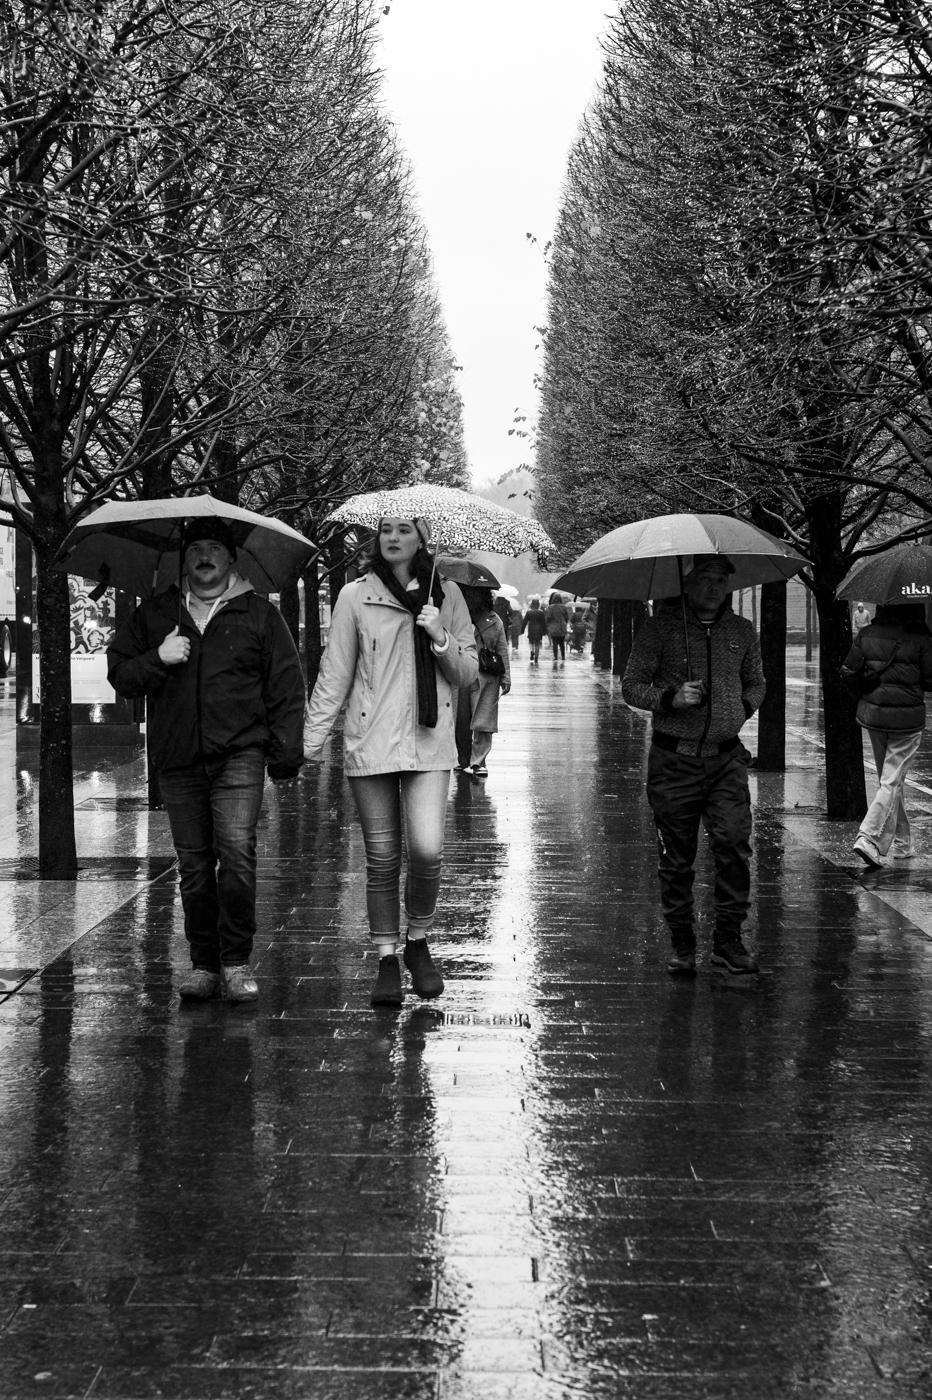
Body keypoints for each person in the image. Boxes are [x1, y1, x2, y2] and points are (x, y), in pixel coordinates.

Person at [108, 519, 306, 1004]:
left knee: (236, 857)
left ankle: (236, 962)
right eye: (195, 548)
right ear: (184, 559)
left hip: (239, 754)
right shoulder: (157, 615)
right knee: (195, 867)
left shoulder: (258, 614)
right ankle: (203, 964)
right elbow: (121, 675)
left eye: (214, 548)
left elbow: (286, 686)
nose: (204, 556)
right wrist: (158, 656)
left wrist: (284, 754)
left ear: (230, 559)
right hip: (178, 760)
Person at [304, 517, 477, 1007]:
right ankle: (385, 956)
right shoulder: (355, 596)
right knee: (381, 858)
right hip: (372, 741)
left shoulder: (447, 596)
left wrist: (439, 635)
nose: (393, 537)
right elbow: (334, 673)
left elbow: (466, 674)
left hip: (429, 742)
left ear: (423, 539)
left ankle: (417, 941)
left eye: (404, 529)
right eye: (385, 530)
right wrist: (310, 741)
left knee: (426, 852)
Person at [622, 554, 766, 977]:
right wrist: (669, 697)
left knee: (735, 844)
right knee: (677, 857)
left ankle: (728, 940)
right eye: (705, 579)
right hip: (674, 763)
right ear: (688, 583)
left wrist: (739, 708)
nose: (714, 587)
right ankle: (683, 942)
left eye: (721, 580)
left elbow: (757, 682)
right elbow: (631, 686)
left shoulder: (741, 631)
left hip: (726, 760)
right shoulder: (659, 629)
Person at [841, 602, 932, 867]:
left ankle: (903, 845)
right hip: (907, 719)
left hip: (875, 716)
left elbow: (848, 671)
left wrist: (867, 689)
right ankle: (868, 837)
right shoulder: (921, 637)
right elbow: (929, 681)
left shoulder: (867, 633)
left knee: (889, 781)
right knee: (891, 782)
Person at [455, 585, 511, 776]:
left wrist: (506, 678)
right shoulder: (456, 616)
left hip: (486, 676)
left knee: (483, 722)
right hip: (461, 673)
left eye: (476, 594)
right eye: (468, 593)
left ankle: (479, 761)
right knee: (460, 720)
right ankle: (462, 760)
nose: (472, 597)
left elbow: (502, 649)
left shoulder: (495, 621)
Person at [544, 593, 569, 662]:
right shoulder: (564, 607)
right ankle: (563, 656)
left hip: (554, 626)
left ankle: (555, 657)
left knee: (555, 642)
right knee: (562, 642)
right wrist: (564, 622)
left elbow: (548, 617)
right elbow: (566, 617)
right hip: (562, 626)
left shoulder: (551, 607)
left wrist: (548, 624)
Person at [521, 598, 547, 663]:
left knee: (531, 641)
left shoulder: (529, 612)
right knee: (537, 643)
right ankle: (536, 656)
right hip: (539, 629)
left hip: (531, 629)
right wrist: (544, 631)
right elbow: (544, 622)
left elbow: (524, 622)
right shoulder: (541, 612)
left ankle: (532, 651)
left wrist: (522, 630)